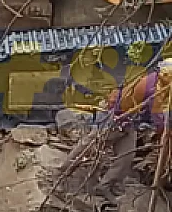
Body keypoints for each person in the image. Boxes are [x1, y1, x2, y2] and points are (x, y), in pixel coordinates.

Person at [61, 63, 172, 199]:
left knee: (126, 157)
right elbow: (158, 117)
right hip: (114, 116)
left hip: (130, 121)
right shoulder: (154, 87)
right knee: (90, 147)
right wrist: (164, 135)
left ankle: (106, 186)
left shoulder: (161, 85)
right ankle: (63, 170)